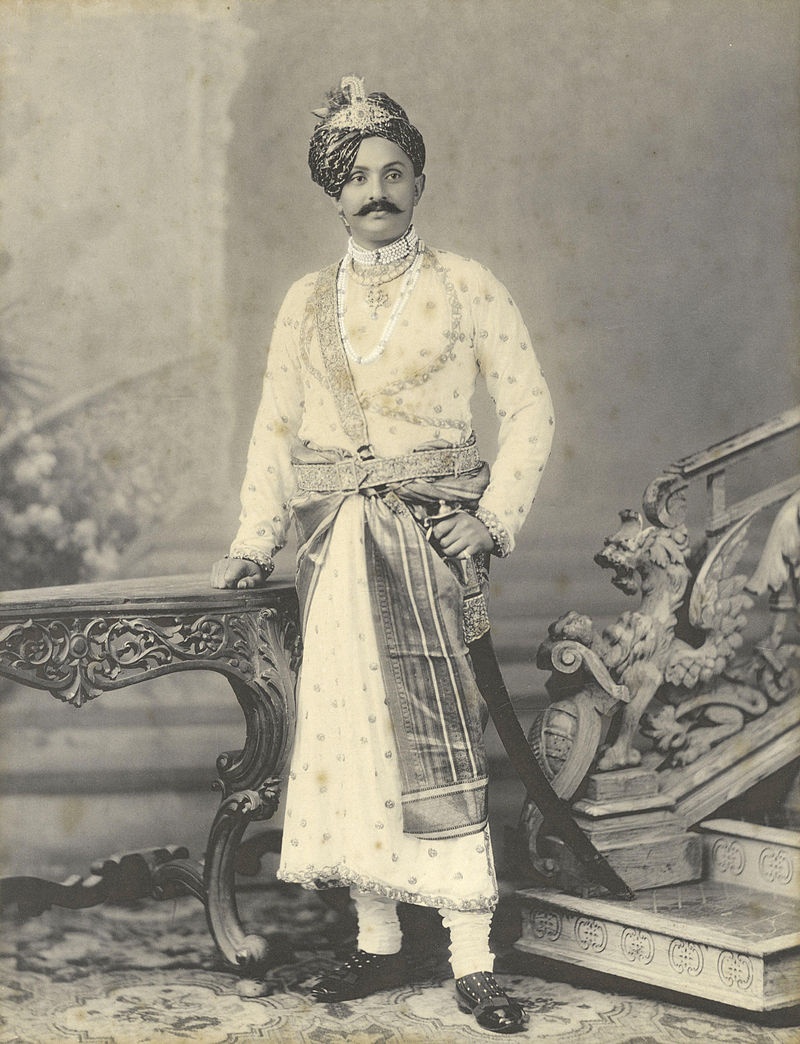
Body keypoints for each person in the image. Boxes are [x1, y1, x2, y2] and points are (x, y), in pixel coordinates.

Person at [211, 75, 554, 1034]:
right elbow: (276, 428)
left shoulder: (466, 285)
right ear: (334, 191)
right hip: (335, 552)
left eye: (394, 173)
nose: (377, 191)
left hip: (429, 546)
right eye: (358, 176)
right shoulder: (304, 302)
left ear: (420, 183)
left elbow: (529, 407)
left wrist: (492, 518)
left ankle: (473, 958)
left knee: (439, 738)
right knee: (351, 741)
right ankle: (377, 940)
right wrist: (253, 540)